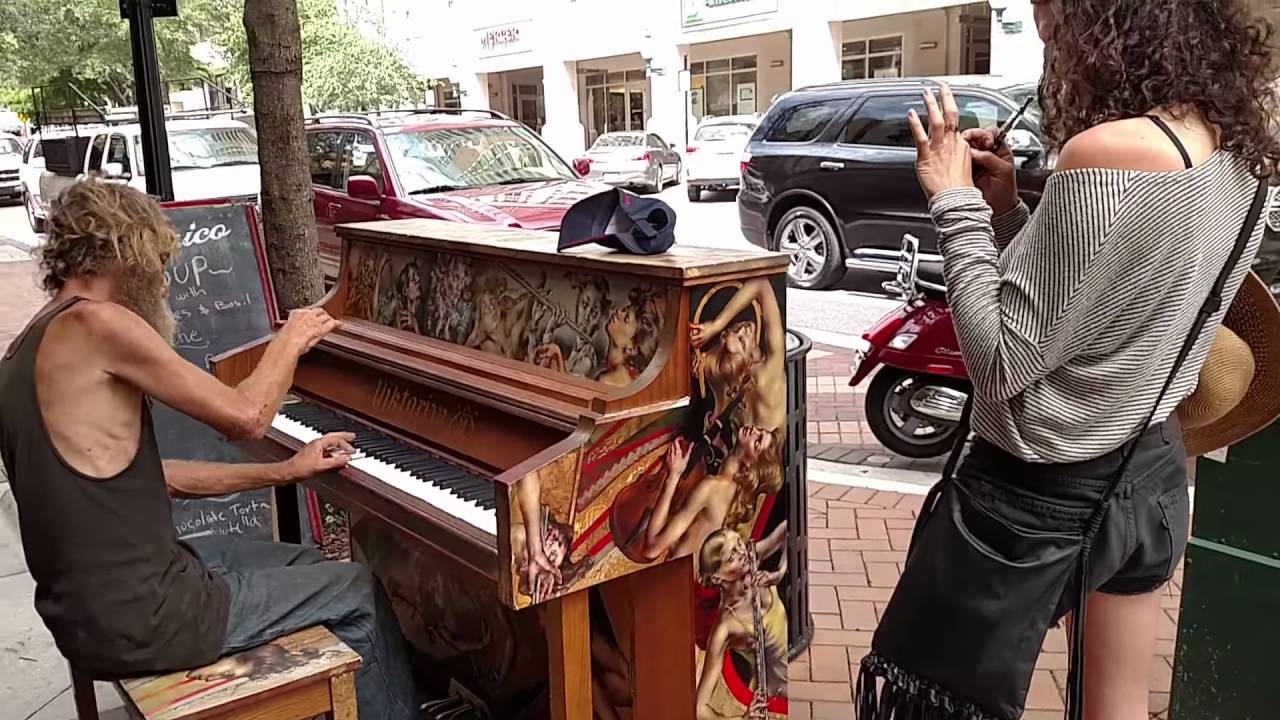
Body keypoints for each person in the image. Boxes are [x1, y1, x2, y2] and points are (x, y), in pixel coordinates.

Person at [865, 2, 1280, 719]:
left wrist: (954, 200)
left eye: (1052, 18)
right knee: (1115, 703)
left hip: (1036, 492)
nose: (1048, 38)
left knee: (930, 700)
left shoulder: (1108, 151)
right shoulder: (1240, 147)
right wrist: (1003, 213)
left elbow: (1002, 360)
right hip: (1148, 473)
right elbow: (1096, 308)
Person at [0, 180, 417, 720]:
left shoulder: (24, 348)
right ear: (128, 250)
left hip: (85, 613)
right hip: (148, 618)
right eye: (157, 262)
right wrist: (291, 336)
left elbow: (159, 475)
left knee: (308, 562)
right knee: (357, 588)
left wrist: (287, 470)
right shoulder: (97, 323)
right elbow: (247, 417)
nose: (162, 281)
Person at [643, 427, 782, 563]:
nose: (754, 431)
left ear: (749, 467)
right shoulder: (732, 498)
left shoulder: (712, 487)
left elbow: (653, 548)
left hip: (668, 579)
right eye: (760, 430)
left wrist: (673, 475)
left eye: (757, 442)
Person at [695, 523, 788, 720]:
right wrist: (742, 719)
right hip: (779, 700)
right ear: (717, 577)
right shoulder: (725, 627)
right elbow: (698, 709)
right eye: (731, 556)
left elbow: (791, 528)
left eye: (739, 542)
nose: (741, 552)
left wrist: (779, 573)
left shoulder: (751, 559)